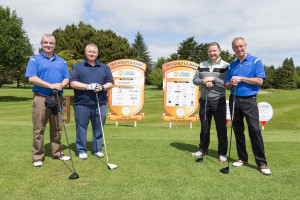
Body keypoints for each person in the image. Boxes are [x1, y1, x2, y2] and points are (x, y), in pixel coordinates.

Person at [225, 37, 271, 175]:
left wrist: (241, 78)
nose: (239, 49)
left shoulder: (255, 61)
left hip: (249, 100)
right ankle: (242, 158)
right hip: (234, 99)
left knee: (254, 130)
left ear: (245, 46)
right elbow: (227, 86)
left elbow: (260, 81)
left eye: (241, 46)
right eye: (236, 47)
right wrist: (230, 83)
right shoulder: (231, 66)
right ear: (233, 49)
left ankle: (262, 163)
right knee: (238, 130)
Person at [25, 34, 70, 167]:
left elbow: (67, 77)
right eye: (45, 43)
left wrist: (62, 84)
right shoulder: (34, 60)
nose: (48, 45)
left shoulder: (61, 61)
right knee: (39, 128)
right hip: (41, 97)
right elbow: (31, 78)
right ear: (41, 44)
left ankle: (57, 153)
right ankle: (38, 157)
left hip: (57, 97)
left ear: (54, 45)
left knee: (57, 127)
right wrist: (51, 85)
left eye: (51, 43)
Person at [70, 43, 114, 159]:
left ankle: (97, 149)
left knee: (98, 127)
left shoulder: (105, 68)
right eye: (90, 51)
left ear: (97, 53)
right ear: (85, 53)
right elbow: (73, 82)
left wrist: (103, 87)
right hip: (82, 103)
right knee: (81, 127)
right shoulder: (77, 67)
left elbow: (111, 83)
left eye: (94, 52)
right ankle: (81, 150)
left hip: (100, 103)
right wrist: (88, 86)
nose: (92, 54)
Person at [192, 42, 229, 162]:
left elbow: (226, 84)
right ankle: (203, 149)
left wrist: (213, 79)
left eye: (214, 51)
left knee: (221, 128)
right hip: (204, 100)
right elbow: (195, 80)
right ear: (208, 52)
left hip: (219, 100)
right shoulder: (202, 65)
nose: (212, 53)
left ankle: (222, 153)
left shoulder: (226, 65)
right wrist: (204, 81)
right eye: (210, 51)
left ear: (219, 51)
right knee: (204, 128)